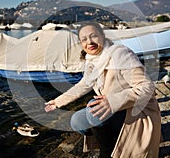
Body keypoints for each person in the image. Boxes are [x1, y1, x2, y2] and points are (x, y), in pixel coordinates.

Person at [45, 21, 161, 157]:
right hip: (114, 111)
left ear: (102, 36)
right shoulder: (92, 60)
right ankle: (113, 138)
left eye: (93, 36)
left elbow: (148, 88)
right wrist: (57, 101)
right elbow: (84, 85)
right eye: (84, 39)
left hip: (135, 110)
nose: (89, 42)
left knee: (93, 109)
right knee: (77, 121)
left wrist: (113, 101)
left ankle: (107, 152)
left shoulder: (120, 54)